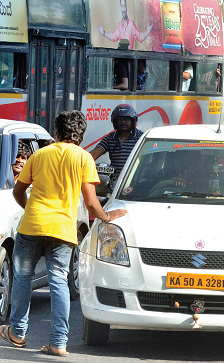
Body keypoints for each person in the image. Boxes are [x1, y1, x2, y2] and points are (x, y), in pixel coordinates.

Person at [1, 110, 127, 356]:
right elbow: (91, 203)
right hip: (63, 230)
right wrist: (106, 216)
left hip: (33, 226)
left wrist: (32, 210)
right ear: (80, 135)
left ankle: (18, 333)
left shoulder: (40, 154)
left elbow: (19, 190)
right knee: (58, 281)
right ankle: (58, 342)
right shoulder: (84, 159)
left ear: (57, 132)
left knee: (23, 278)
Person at [90, 104, 143, 181]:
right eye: (120, 119)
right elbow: (93, 155)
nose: (123, 122)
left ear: (133, 121)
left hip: (135, 181)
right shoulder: (110, 138)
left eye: (127, 119)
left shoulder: (140, 137)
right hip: (115, 182)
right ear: (115, 122)